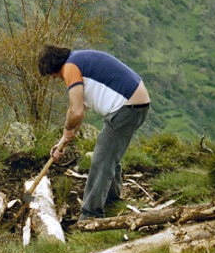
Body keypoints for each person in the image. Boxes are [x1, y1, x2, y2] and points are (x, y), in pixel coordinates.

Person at [37, 45, 150, 220]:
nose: (52, 79)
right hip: (136, 104)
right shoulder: (77, 60)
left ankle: (90, 215)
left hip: (127, 106)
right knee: (110, 153)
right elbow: (77, 110)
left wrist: (67, 130)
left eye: (50, 74)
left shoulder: (70, 68)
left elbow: (76, 112)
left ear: (53, 66)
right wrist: (63, 141)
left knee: (102, 159)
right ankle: (111, 201)